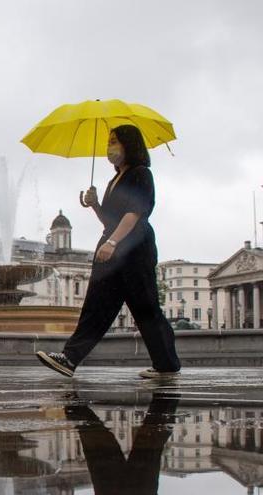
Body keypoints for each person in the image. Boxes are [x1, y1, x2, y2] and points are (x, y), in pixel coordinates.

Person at [37, 124, 181, 379]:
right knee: (96, 304)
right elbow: (110, 220)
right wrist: (95, 205)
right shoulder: (114, 180)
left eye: (114, 141)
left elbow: (134, 214)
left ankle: (167, 364)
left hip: (134, 246)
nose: (109, 147)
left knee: (146, 307)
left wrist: (112, 243)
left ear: (129, 144)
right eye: (108, 142)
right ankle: (70, 358)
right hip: (111, 246)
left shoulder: (141, 174)